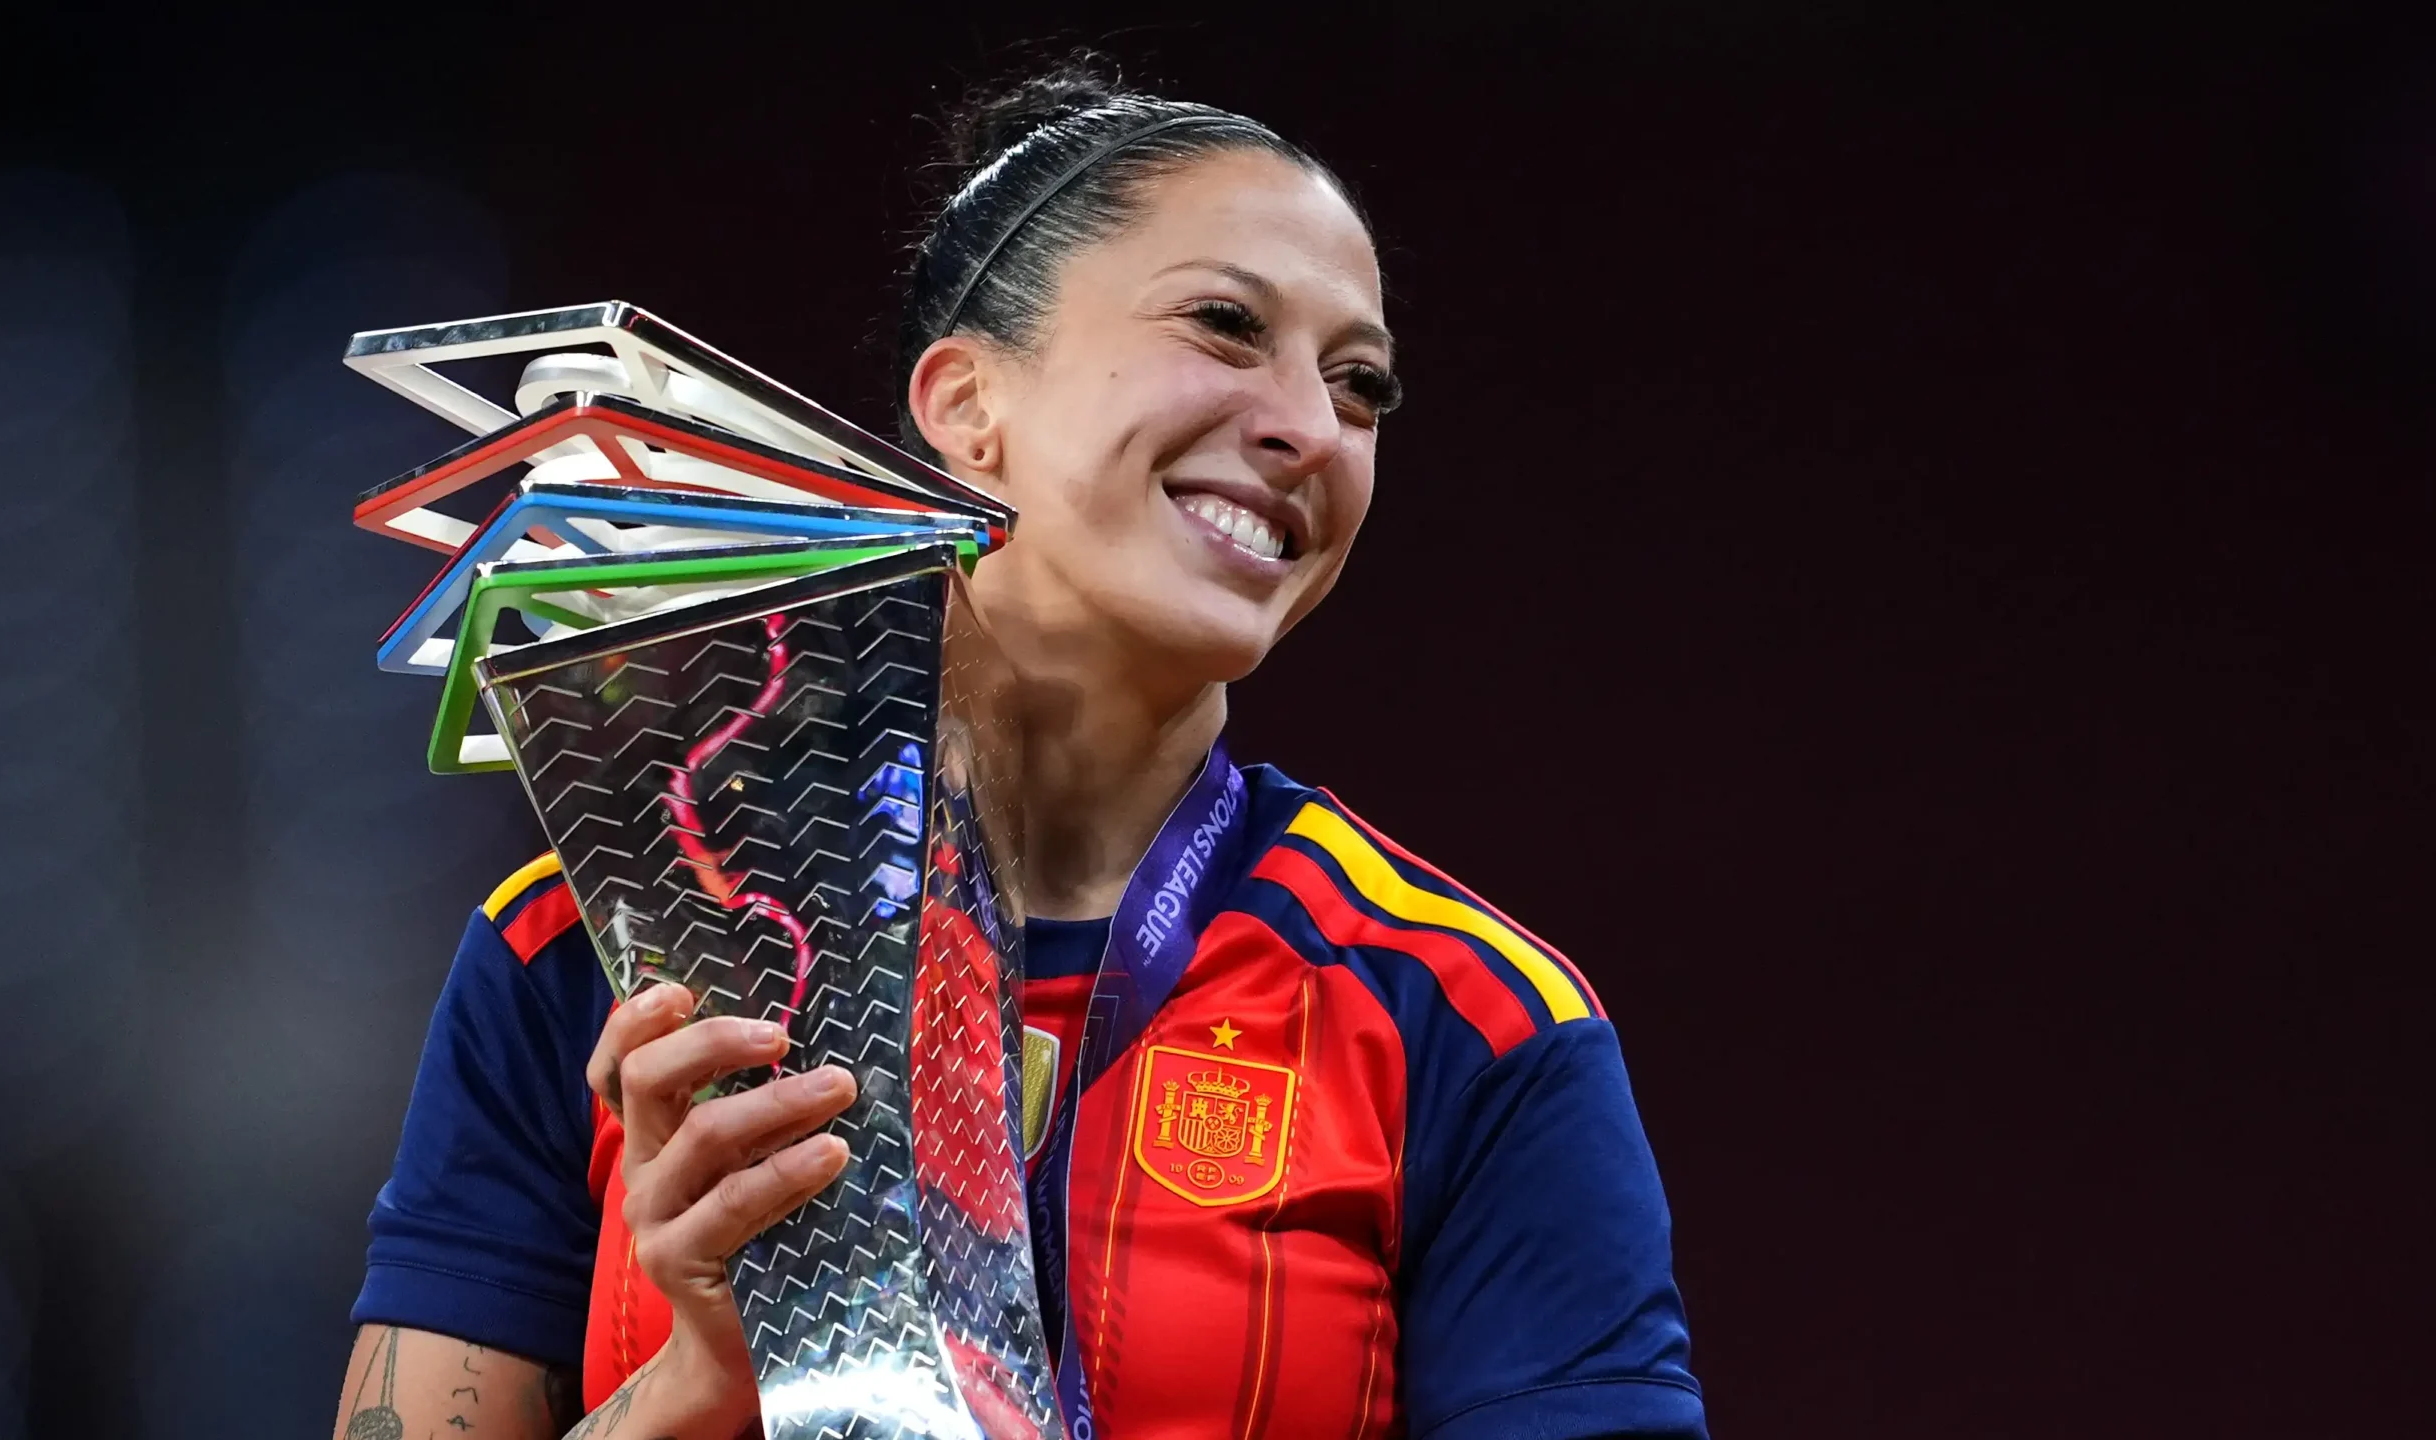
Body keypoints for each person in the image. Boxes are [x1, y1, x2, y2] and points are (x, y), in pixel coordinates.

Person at [332, 58, 1705, 1440]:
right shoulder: (596, 953)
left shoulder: (1464, 1019)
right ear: (966, 403)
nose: (1309, 429)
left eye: (1362, 389)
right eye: (1228, 326)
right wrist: (704, 1388)